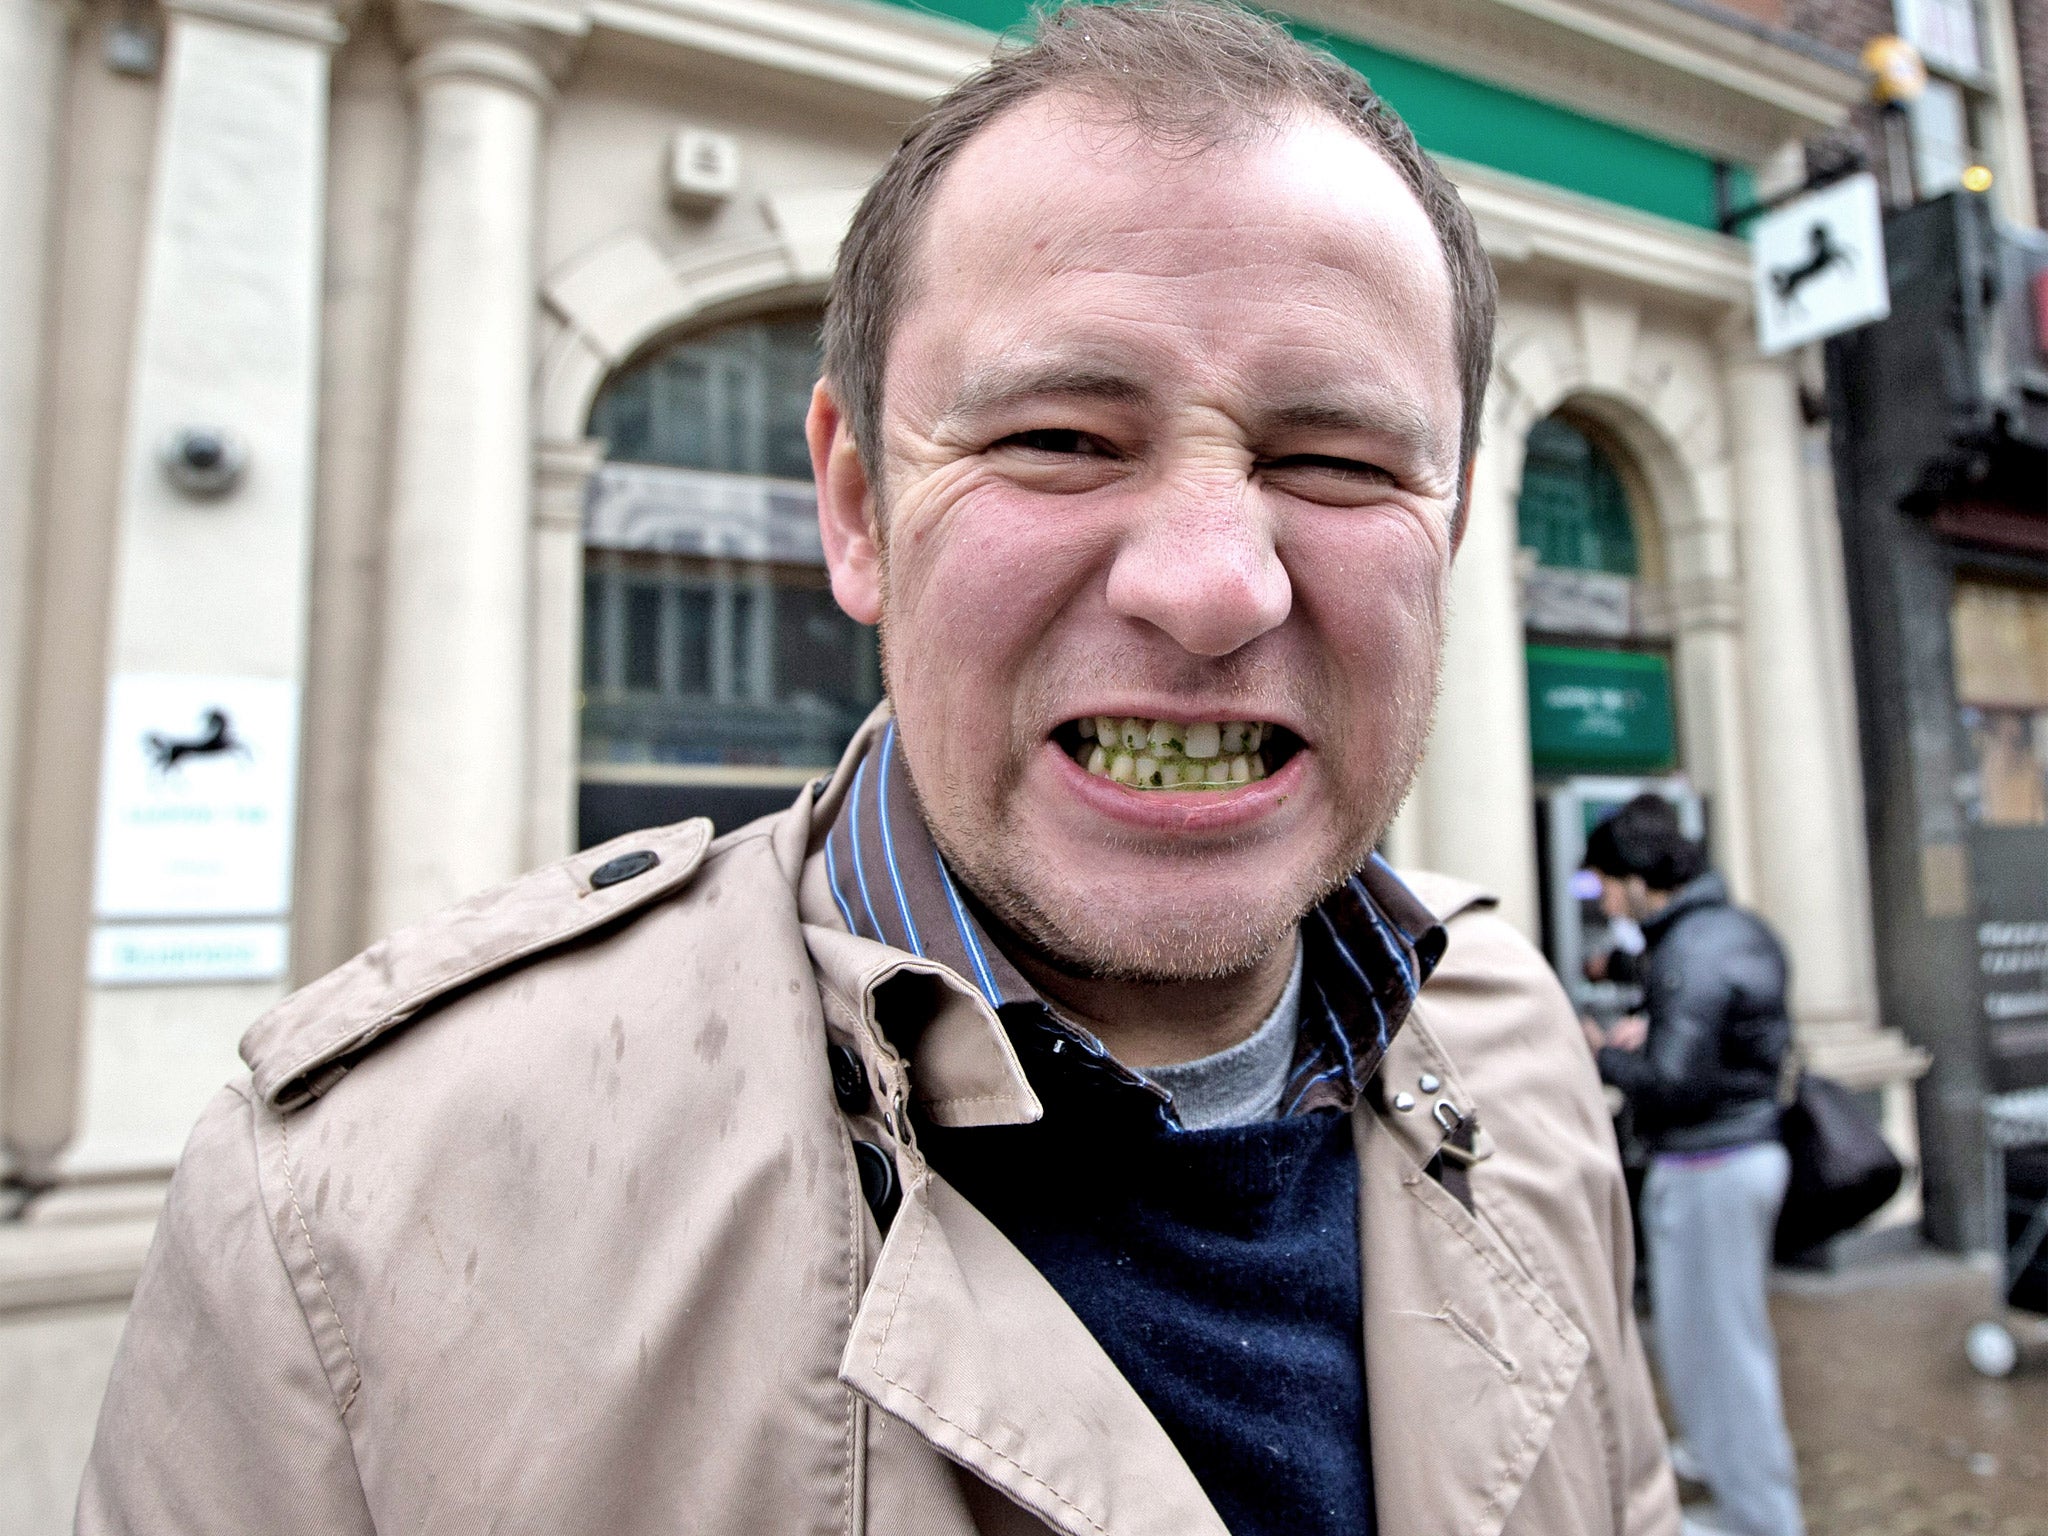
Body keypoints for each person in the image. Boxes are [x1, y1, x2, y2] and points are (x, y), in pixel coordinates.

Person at [78, 6, 1681, 1533]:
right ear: (858, 508)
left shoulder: (1515, 1046)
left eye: (1334, 463)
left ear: (1449, 536)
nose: (1210, 586)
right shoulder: (357, 1211)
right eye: (1059, 441)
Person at [1581, 794, 1803, 1536]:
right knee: (1711, 1343)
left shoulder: (1691, 950)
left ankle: (1762, 1521)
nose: (1604, 903)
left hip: (1711, 1163)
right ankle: (1719, 1468)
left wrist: (1601, 1052)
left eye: (1606, 886)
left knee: (1724, 1353)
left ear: (1637, 877)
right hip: (1742, 1153)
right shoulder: (1730, 928)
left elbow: (1677, 1082)